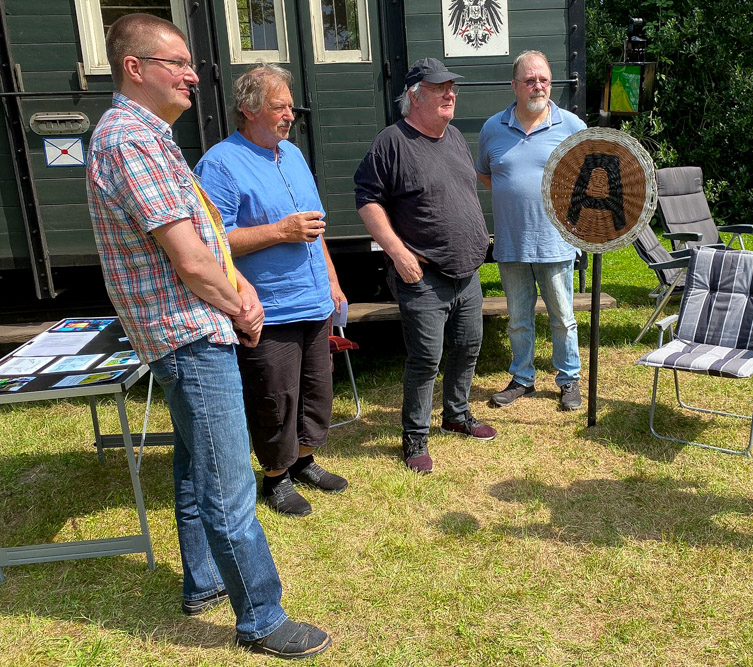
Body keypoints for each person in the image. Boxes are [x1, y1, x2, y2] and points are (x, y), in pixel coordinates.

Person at [86, 14, 329, 658]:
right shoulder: (129, 140)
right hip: (187, 332)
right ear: (135, 68)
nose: (193, 75)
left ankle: (203, 581)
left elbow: (207, 238)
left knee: (198, 470)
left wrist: (239, 289)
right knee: (228, 486)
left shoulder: (151, 136)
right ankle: (262, 619)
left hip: (193, 326)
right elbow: (190, 260)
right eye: (177, 63)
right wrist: (239, 306)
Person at [194, 64, 349, 518]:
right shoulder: (220, 163)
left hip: (313, 301)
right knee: (274, 398)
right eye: (280, 107)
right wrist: (280, 231)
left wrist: (333, 280)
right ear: (248, 109)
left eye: (290, 107)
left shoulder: (292, 155)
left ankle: (304, 461)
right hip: (269, 306)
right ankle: (276, 477)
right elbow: (214, 240)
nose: (290, 116)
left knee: (315, 392)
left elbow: (315, 228)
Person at [354, 57, 496, 475]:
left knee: (468, 346)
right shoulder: (392, 142)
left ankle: (456, 414)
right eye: (439, 88)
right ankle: (415, 436)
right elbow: (367, 200)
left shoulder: (454, 137)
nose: (450, 94)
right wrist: (398, 253)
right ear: (414, 96)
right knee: (425, 360)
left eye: (452, 87)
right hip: (423, 275)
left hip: (466, 272)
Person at [476, 50, 587, 411]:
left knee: (563, 318)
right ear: (515, 86)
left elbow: (591, 176)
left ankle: (568, 379)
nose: (538, 86)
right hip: (511, 243)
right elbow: (487, 174)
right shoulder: (492, 128)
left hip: (555, 241)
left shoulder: (571, 126)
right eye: (529, 80)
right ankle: (522, 378)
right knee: (518, 321)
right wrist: (517, 197)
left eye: (543, 79)